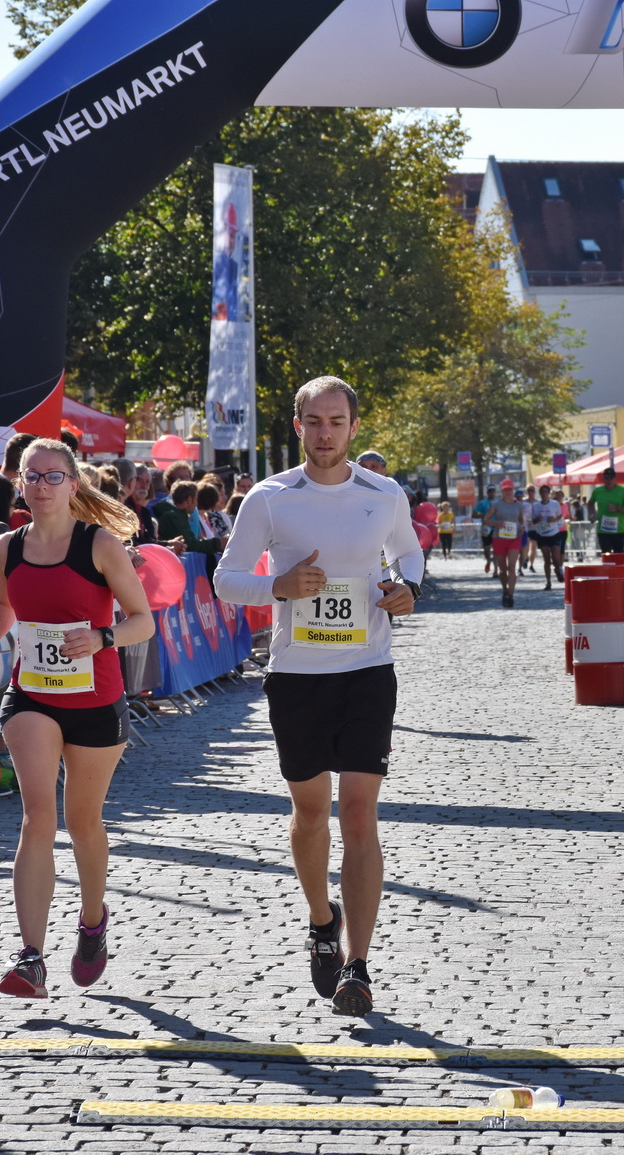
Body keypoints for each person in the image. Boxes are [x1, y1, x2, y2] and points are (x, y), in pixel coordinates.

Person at [215, 376, 422, 1016]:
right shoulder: (270, 498)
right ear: (299, 425)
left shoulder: (384, 493)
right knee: (311, 815)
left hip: (367, 669)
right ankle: (320, 918)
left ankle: (358, 966)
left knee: (359, 814)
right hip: (297, 678)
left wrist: (406, 589)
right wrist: (279, 587)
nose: (325, 433)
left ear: (354, 427)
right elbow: (225, 580)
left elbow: (409, 559)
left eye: (337, 421)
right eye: (314, 422)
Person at [0, 439, 154, 998]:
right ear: (20, 485)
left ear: (74, 485)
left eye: (53, 477)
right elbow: (5, 605)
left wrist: (100, 637)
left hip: (97, 699)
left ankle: (92, 921)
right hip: (33, 696)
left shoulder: (98, 544)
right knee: (36, 817)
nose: (42, 486)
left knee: (84, 823)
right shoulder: (6, 546)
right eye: (33, 477)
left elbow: (142, 621)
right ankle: (31, 956)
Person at [485, 479, 528, 607]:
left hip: (514, 538)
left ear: (513, 490)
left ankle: (511, 595)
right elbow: (486, 520)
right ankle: (505, 589)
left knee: (512, 567)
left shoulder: (519, 505)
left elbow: (520, 520)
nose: (508, 492)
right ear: (502, 491)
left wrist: (521, 527)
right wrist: (496, 523)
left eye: (509, 489)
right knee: (503, 570)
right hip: (499, 538)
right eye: (505, 490)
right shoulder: (497, 505)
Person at [587, 468, 624, 558]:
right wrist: (592, 514)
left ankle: (618, 572)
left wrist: (617, 508)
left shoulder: (622, 491)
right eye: (607, 478)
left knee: (618, 556)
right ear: (603, 479)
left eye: (611, 478)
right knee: (606, 555)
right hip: (603, 530)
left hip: (618, 531)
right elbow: (590, 503)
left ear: (615, 478)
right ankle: (607, 571)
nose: (609, 481)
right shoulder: (598, 491)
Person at [530, 484, 567, 590]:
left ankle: (558, 570)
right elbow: (533, 521)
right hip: (542, 534)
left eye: (546, 492)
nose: (544, 494)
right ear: (540, 493)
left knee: (556, 557)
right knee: (546, 559)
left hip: (554, 533)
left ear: (549, 493)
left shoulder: (555, 504)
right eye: (542, 492)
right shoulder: (536, 506)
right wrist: (538, 518)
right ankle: (548, 582)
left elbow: (560, 516)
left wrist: (554, 519)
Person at [473, 486, 495, 575]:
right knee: (487, 548)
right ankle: (488, 561)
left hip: (496, 528)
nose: (491, 492)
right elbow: (474, 514)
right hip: (486, 528)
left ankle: (496, 570)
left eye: (493, 491)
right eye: (489, 491)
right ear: (487, 492)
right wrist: (484, 515)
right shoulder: (482, 503)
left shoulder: (498, 502)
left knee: (496, 549)